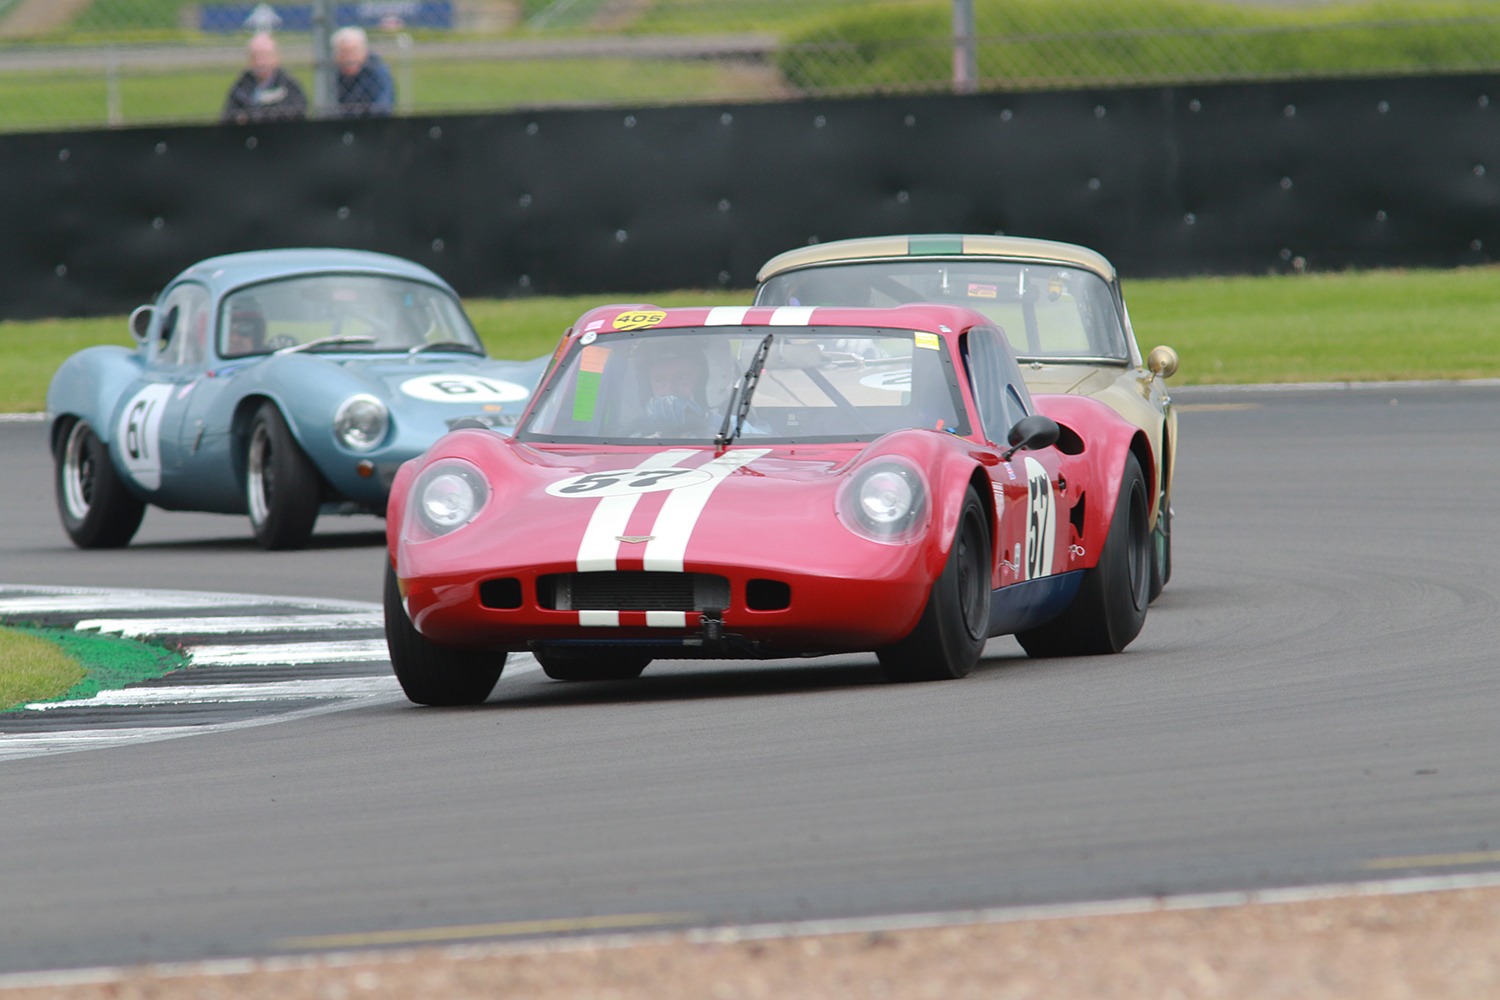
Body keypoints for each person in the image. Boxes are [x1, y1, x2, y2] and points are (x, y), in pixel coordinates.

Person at [222, 33, 307, 124]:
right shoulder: (241, 86)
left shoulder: (289, 85)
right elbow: (228, 117)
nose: (260, 62)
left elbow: (297, 113)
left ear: (276, 58)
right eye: (254, 57)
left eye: (264, 56)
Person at [333, 27, 395, 118]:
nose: (349, 58)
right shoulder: (331, 75)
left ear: (364, 52)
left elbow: (383, 108)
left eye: (354, 51)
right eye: (343, 52)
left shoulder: (378, 73)